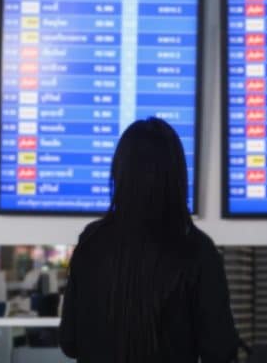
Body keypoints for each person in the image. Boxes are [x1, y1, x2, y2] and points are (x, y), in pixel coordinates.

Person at [60, 118, 239, 362]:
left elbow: (69, 342)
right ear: (177, 175)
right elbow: (220, 350)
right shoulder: (198, 249)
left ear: (119, 171)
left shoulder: (92, 241)